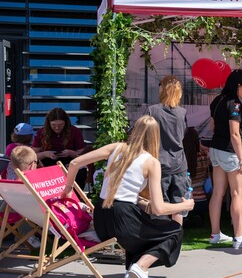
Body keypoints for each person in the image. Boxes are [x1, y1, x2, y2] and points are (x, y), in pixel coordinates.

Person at [60, 115, 194, 278]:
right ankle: (140, 266)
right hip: (123, 218)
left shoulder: (116, 147)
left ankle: (131, 269)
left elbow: (74, 163)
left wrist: (68, 189)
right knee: (174, 231)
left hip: (102, 217)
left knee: (148, 227)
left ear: (135, 131)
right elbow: (159, 208)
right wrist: (184, 206)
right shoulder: (151, 162)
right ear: (156, 137)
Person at [208, 69, 242, 249]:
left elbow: (213, 126)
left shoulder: (217, 100)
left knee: (217, 193)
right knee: (238, 194)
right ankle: (239, 237)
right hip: (230, 152)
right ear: (238, 86)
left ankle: (215, 234)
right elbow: (235, 134)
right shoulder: (234, 104)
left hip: (215, 149)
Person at [145, 75, 188, 226]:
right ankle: (177, 239)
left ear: (162, 89)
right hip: (179, 163)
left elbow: (143, 134)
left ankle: (161, 239)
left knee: (159, 204)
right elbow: (183, 134)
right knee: (179, 205)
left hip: (158, 163)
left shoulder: (152, 111)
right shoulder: (182, 113)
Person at [32, 108, 86, 187]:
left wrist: (70, 153)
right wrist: (45, 154)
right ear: (49, 123)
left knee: (81, 171)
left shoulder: (74, 131)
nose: (57, 128)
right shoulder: (41, 132)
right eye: (54, 125)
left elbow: (83, 155)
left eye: (60, 125)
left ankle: (75, 195)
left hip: (69, 163)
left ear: (66, 123)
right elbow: (32, 155)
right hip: (48, 164)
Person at [0, 145, 42, 248]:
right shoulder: (37, 183)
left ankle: (21, 237)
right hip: (39, 218)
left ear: (12, 166)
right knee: (20, 207)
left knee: (11, 204)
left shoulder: (10, 186)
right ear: (33, 165)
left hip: (9, 216)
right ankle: (28, 237)